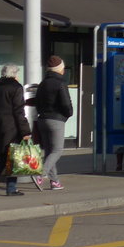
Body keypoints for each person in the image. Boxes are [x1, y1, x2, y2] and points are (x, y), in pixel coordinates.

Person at [0, 63, 31, 196]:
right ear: (15, 74)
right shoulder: (16, 88)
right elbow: (18, 111)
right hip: (12, 128)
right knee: (13, 158)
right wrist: (26, 131)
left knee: (6, 156)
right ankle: (10, 188)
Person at [33, 55, 73, 191]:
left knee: (50, 151)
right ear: (60, 69)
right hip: (56, 119)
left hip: (42, 119)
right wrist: (68, 114)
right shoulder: (60, 83)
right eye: (63, 68)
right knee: (57, 150)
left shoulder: (43, 83)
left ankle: (54, 181)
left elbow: (37, 102)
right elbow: (66, 103)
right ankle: (40, 174)